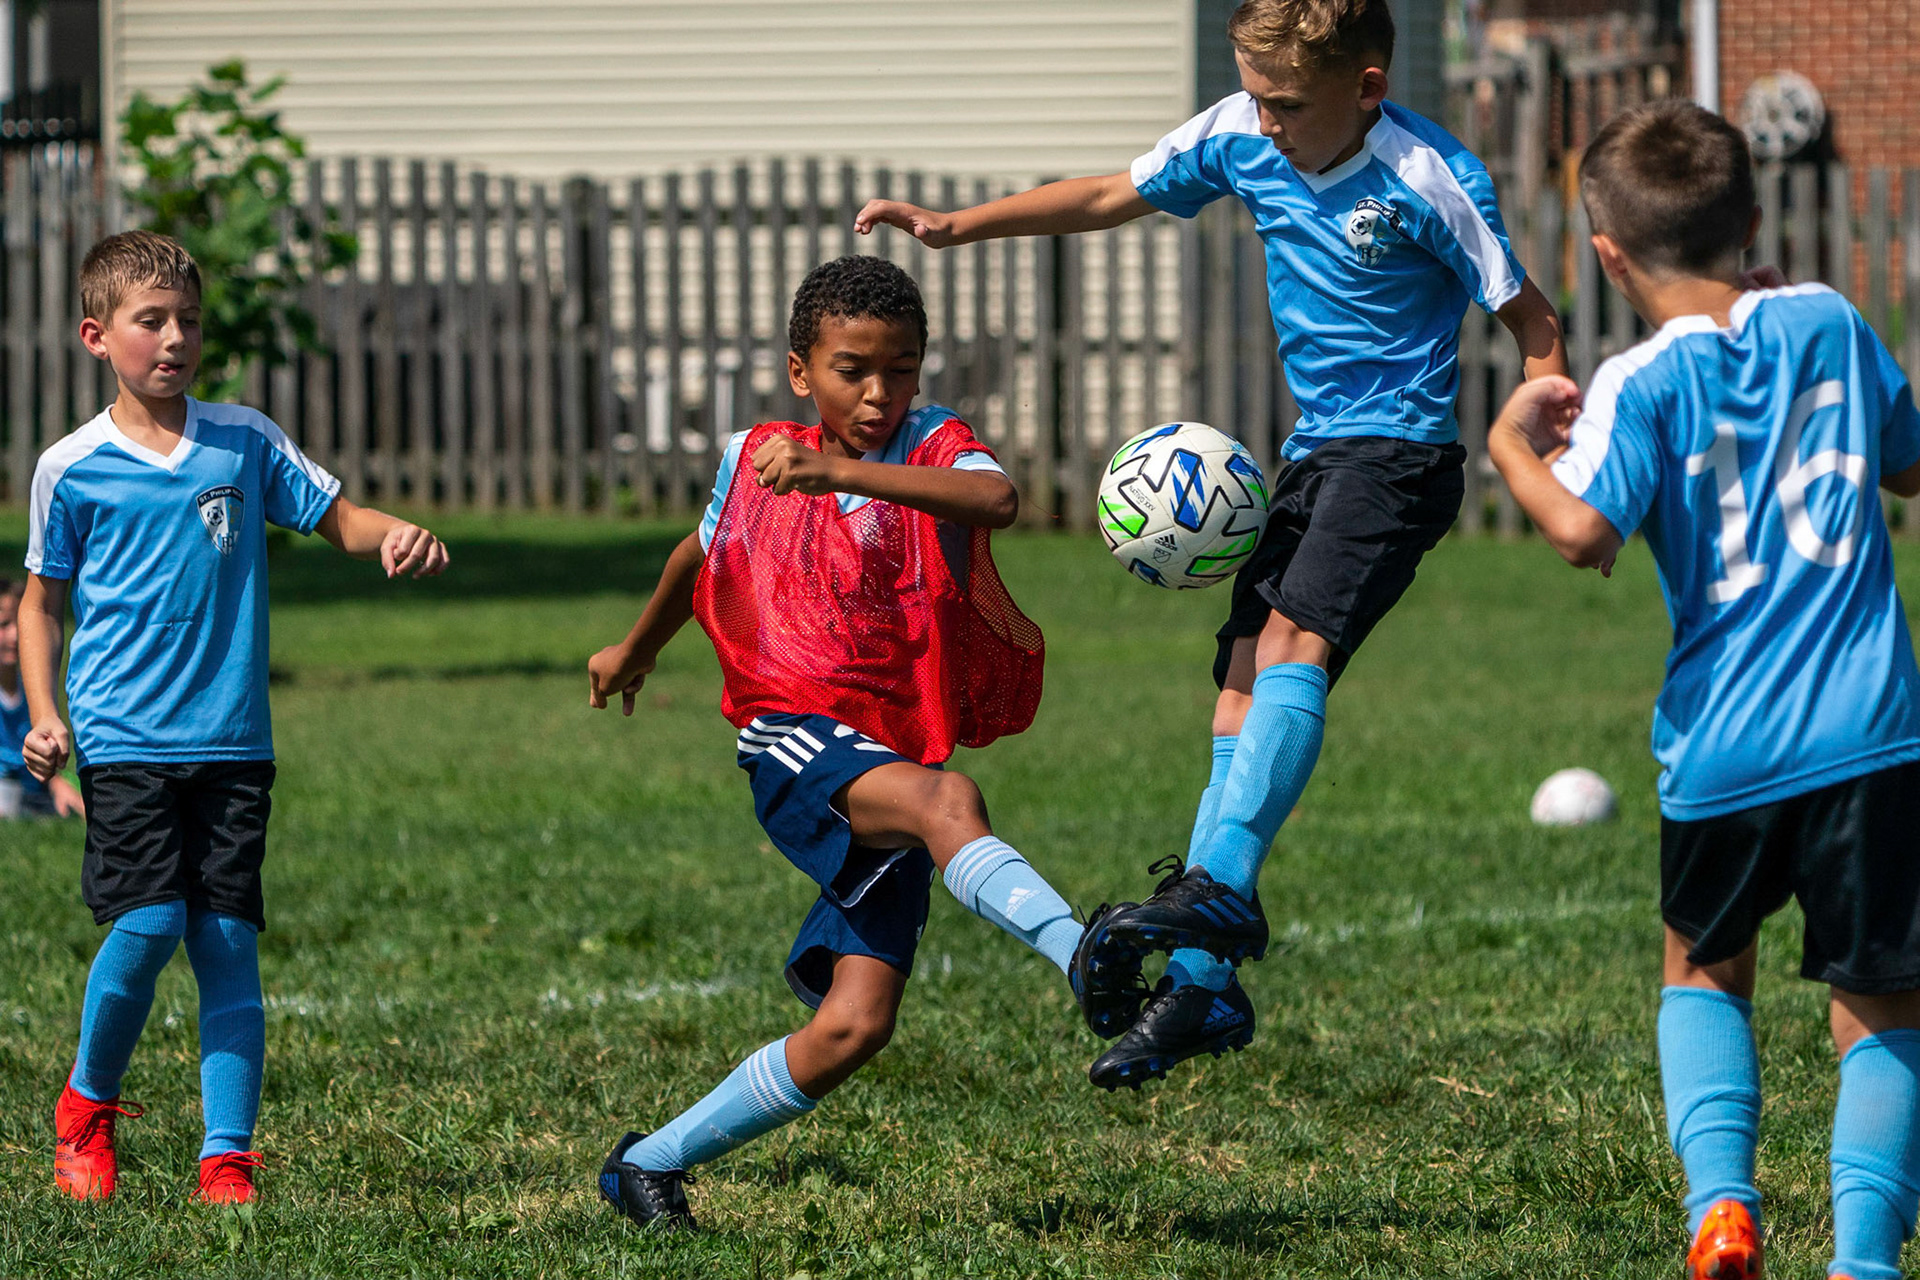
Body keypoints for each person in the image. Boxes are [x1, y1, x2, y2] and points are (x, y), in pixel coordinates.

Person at [857, 0, 1568, 1088]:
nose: (1265, 119)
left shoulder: (1431, 176)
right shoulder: (1239, 132)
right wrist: (962, 226)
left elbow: (1533, 322)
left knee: (1290, 648)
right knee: (1235, 689)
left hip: (1401, 454)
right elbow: (1109, 192)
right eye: (1255, 92)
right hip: (1315, 456)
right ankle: (1203, 984)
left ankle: (1220, 885)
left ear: (1366, 89)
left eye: (1286, 101)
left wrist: (1546, 428)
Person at [586, 255, 1113, 1231]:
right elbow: (695, 557)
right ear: (801, 369)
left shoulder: (929, 441)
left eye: (901, 368)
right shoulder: (754, 455)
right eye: (852, 368)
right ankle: (1086, 953)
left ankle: (645, 1163)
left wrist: (842, 470)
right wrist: (633, 648)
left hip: (877, 751)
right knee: (948, 801)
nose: (879, 393)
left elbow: (995, 499)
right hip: (788, 735)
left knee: (854, 1025)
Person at [1488, 100, 1920, 1280]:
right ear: (1755, 222)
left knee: (1702, 968)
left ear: (1609, 255)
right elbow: (1910, 464)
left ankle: (1725, 1209)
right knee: (1882, 1003)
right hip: (1874, 731)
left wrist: (1511, 447)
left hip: (1724, 742)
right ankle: (1866, 1261)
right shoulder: (1829, 320)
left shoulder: (1636, 379)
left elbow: (1583, 532)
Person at [20, 229, 449, 1206]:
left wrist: (395, 536)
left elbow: (338, 515)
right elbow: (42, 603)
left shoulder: (245, 440)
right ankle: (87, 1102)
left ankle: (228, 1158)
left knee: (224, 942)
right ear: (98, 335)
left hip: (232, 738)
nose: (175, 338)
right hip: (124, 734)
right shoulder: (70, 467)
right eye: (151, 321)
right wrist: (45, 718)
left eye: (190, 321)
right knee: (147, 919)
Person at [0, 578, 83, 818]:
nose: (15, 635)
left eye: (18, 624)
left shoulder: (31, 693)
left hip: (34, 789)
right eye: (4, 625)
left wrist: (57, 784)